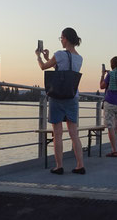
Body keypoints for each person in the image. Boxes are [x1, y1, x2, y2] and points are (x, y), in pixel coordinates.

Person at [35, 27, 85, 175]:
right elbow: (64, 69)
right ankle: (80, 165)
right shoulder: (79, 58)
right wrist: (48, 57)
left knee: (57, 134)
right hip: (72, 96)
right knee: (73, 133)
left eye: (61, 38)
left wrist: (39, 56)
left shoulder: (59, 54)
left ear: (66, 38)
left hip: (57, 97)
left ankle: (59, 166)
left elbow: (44, 67)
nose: (61, 40)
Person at [100, 56, 117, 157]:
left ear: (112, 64)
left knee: (110, 127)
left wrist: (103, 75)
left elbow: (102, 86)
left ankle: (114, 150)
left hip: (110, 102)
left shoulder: (110, 74)